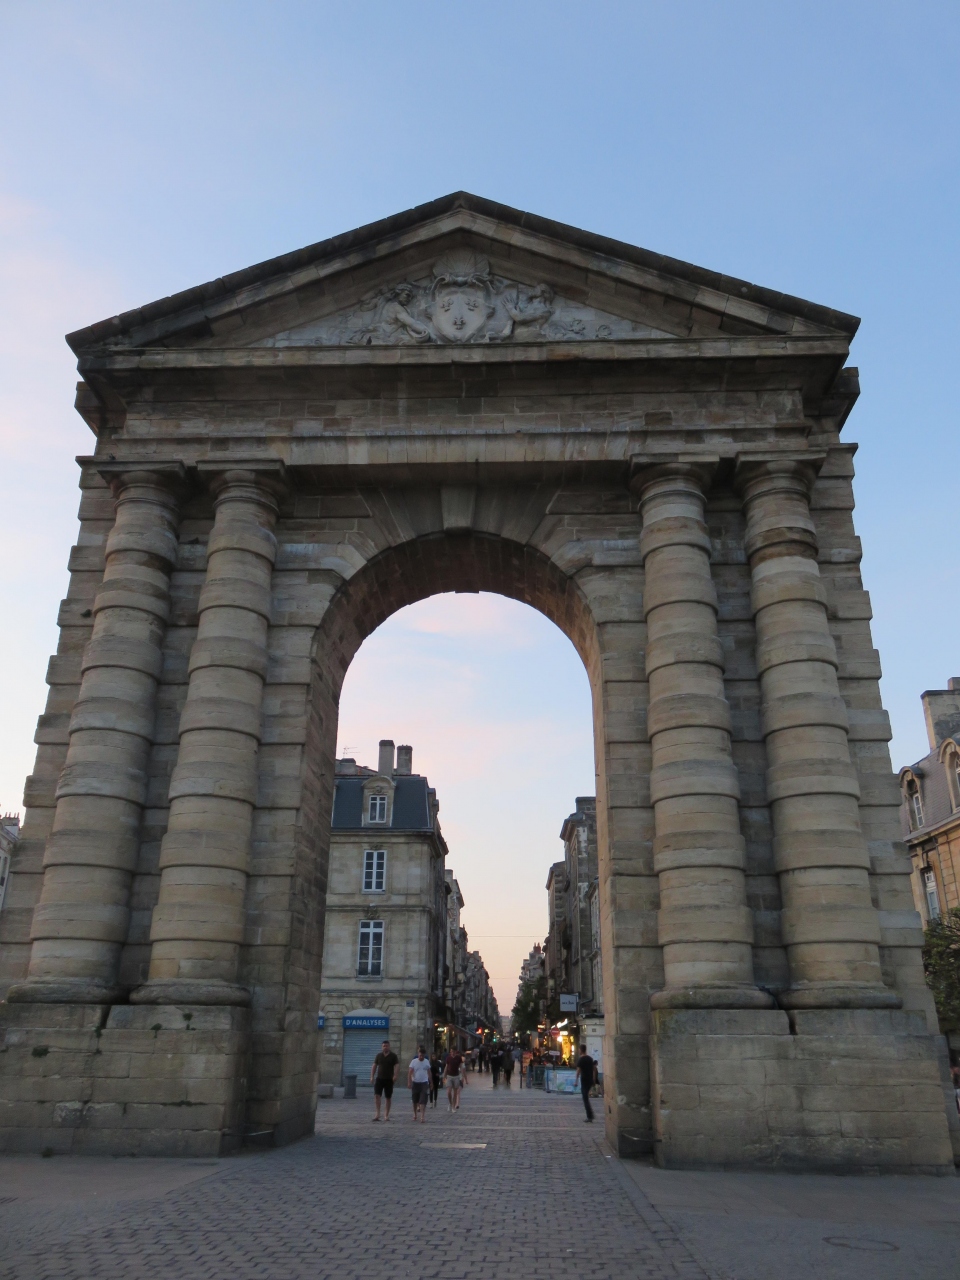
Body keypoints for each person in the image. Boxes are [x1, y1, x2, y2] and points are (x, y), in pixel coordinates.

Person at [370, 1039, 399, 1122]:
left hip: (389, 1079)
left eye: (386, 1046)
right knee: (377, 1095)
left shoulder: (393, 1056)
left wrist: (395, 1075)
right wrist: (372, 1076)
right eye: (384, 1046)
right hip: (379, 1079)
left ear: (389, 1047)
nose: (385, 1047)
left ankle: (386, 1115)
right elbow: (374, 1066)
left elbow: (397, 1066)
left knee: (388, 1097)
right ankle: (377, 1114)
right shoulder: (379, 1055)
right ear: (382, 1047)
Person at [408, 1046, 432, 1123]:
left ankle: (422, 1116)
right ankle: (415, 1114)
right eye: (420, 1055)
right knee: (415, 1100)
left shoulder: (426, 1062)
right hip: (415, 1082)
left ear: (424, 1055)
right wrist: (409, 1082)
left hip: (424, 1083)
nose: (421, 1057)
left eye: (422, 1055)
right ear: (418, 1054)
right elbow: (410, 1072)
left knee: (423, 1100)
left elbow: (429, 1072)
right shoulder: (414, 1062)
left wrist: (431, 1082)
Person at [575, 1043, 597, 1123]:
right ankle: (590, 1115)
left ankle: (589, 1116)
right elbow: (594, 1069)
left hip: (584, 1080)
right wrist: (594, 1079)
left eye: (579, 1049)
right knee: (586, 1097)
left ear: (581, 1050)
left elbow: (578, 1071)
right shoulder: (590, 1058)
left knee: (585, 1098)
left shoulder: (581, 1060)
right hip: (590, 1080)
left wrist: (576, 1081)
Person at [443, 1047, 465, 1111]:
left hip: (456, 1076)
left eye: (453, 1051)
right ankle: (450, 1103)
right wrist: (444, 1076)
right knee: (449, 1091)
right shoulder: (448, 1058)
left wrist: (462, 1076)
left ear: (455, 1051)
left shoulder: (458, 1058)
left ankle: (453, 1106)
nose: (452, 1053)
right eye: (451, 1051)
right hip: (449, 1076)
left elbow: (461, 1067)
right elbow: (446, 1067)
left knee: (455, 1092)